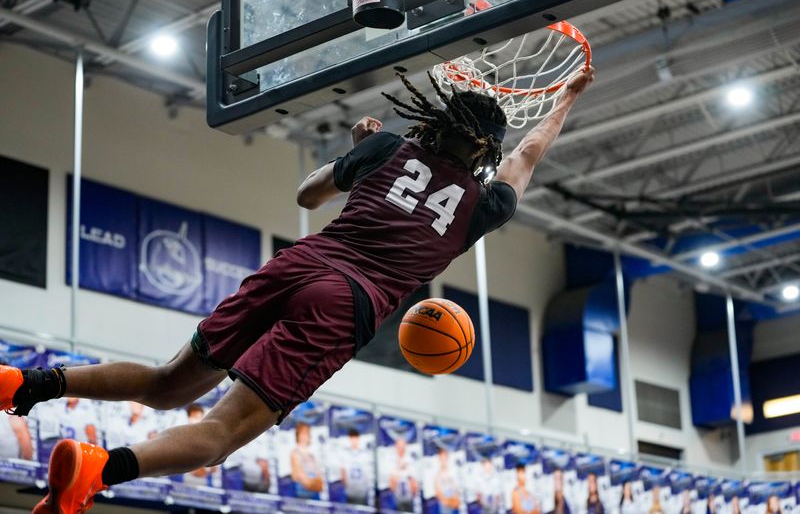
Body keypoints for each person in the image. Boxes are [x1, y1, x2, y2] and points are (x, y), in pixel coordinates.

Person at [0, 65, 595, 514]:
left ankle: (24, 382)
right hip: (343, 302)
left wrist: (359, 153)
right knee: (220, 436)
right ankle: (99, 470)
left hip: (294, 266)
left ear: (435, 122)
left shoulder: (388, 148)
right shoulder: (484, 205)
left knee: (166, 383)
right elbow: (528, 154)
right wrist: (566, 99)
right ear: (485, 151)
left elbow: (307, 197)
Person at [290, 422, 323, 500]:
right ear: (298, 435)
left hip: (314, 496)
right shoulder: (295, 453)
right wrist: (316, 485)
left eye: (307, 433)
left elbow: (320, 482)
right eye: (303, 433)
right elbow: (303, 480)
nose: (305, 436)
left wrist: (317, 485)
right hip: (302, 497)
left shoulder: (312, 456)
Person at [339, 428, 372, 504]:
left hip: (362, 492)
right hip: (350, 492)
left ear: (358, 439)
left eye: (355, 438)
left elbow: (367, 473)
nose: (353, 441)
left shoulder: (364, 454)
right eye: (351, 439)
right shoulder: (345, 454)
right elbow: (343, 472)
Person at [388, 436, 418, 512]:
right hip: (396, 500)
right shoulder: (391, 461)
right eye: (399, 446)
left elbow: (415, 486)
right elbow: (392, 486)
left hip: (409, 500)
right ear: (396, 447)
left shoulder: (411, 461)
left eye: (403, 446)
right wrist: (399, 468)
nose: (401, 448)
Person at [435, 448, 460, 514]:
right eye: (441, 458)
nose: (443, 460)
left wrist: (454, 498)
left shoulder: (453, 471)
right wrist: (444, 500)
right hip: (444, 504)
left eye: (445, 457)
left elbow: (456, 487)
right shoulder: (437, 473)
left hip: (454, 502)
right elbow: (437, 489)